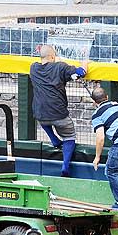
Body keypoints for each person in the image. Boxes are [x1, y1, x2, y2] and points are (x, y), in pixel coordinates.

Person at [29, 44, 87, 177]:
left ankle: (53, 139)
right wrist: (84, 63)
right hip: (59, 114)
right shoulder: (61, 67)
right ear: (52, 56)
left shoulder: (33, 68)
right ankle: (65, 166)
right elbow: (80, 73)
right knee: (69, 136)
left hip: (40, 114)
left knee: (43, 118)